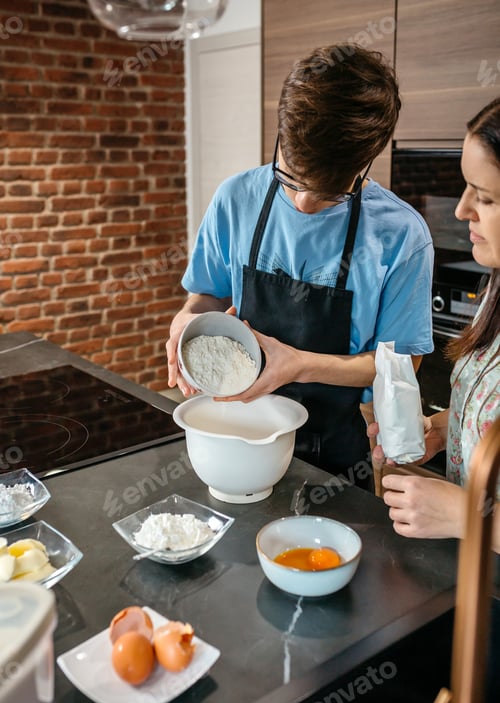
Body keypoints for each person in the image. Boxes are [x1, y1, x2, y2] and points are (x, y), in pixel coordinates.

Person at [166, 44, 435, 489]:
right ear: (281, 136)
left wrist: (298, 364)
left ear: (366, 162)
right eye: (290, 177)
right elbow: (206, 296)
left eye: (330, 193)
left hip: (335, 461)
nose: (305, 203)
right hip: (235, 439)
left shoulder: (402, 236)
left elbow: (401, 364)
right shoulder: (236, 199)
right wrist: (185, 321)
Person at [369, 96, 500, 548]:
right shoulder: (494, 295)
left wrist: (464, 514)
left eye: (484, 197)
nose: (462, 210)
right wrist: (443, 431)